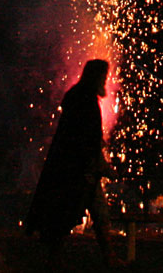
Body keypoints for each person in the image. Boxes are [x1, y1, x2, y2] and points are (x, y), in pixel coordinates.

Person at [25, 59, 119, 265]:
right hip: (79, 172)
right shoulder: (86, 102)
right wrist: (102, 166)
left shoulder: (76, 98)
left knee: (82, 213)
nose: (105, 80)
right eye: (103, 76)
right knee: (71, 214)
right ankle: (60, 259)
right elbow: (88, 139)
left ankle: (102, 258)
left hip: (74, 169)